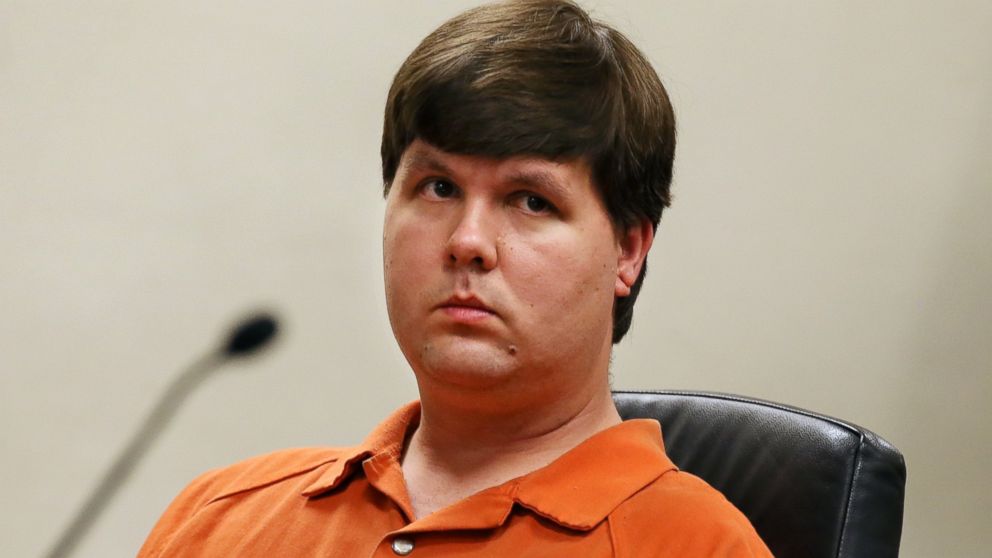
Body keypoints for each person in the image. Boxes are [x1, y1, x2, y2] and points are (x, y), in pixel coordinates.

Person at [139, 1, 771, 556]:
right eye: (438, 187)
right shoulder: (215, 520)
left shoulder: (698, 545)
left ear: (628, 251)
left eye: (530, 201)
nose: (467, 242)